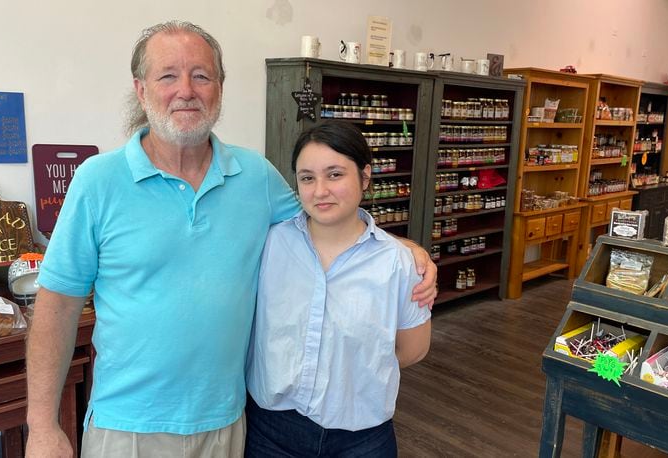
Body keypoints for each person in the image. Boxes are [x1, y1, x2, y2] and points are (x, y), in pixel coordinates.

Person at [25, 21, 437, 457]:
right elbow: (57, 306)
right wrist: (42, 427)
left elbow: (328, 217)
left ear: (220, 88)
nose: (186, 89)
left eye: (201, 75)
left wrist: (401, 248)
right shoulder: (98, 181)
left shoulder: (255, 177)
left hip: (229, 423)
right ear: (141, 90)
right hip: (129, 426)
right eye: (168, 75)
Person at [245, 121, 432, 457]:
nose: (320, 191)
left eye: (335, 174)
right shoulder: (270, 244)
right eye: (307, 178)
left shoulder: (398, 264)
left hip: (360, 438)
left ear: (365, 176)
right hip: (271, 431)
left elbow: (412, 349)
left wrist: (352, 369)